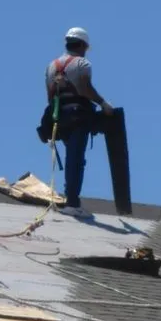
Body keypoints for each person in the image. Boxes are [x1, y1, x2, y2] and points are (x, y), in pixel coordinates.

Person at [43, 27, 114, 218]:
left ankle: (71, 199)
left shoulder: (52, 66)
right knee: (76, 160)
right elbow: (84, 88)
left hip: (59, 117)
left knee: (71, 158)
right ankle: (72, 203)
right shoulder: (82, 63)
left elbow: (50, 96)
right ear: (82, 45)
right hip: (78, 116)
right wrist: (102, 102)